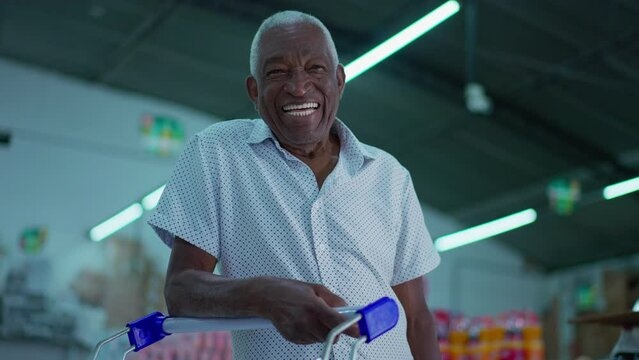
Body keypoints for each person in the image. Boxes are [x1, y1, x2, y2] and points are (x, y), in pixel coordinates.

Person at [149, 10, 441, 360]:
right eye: (277, 72)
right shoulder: (218, 154)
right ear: (253, 90)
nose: (299, 86)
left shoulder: (389, 176)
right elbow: (181, 291)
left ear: (339, 81)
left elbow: (418, 320)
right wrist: (265, 296)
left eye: (315, 69)